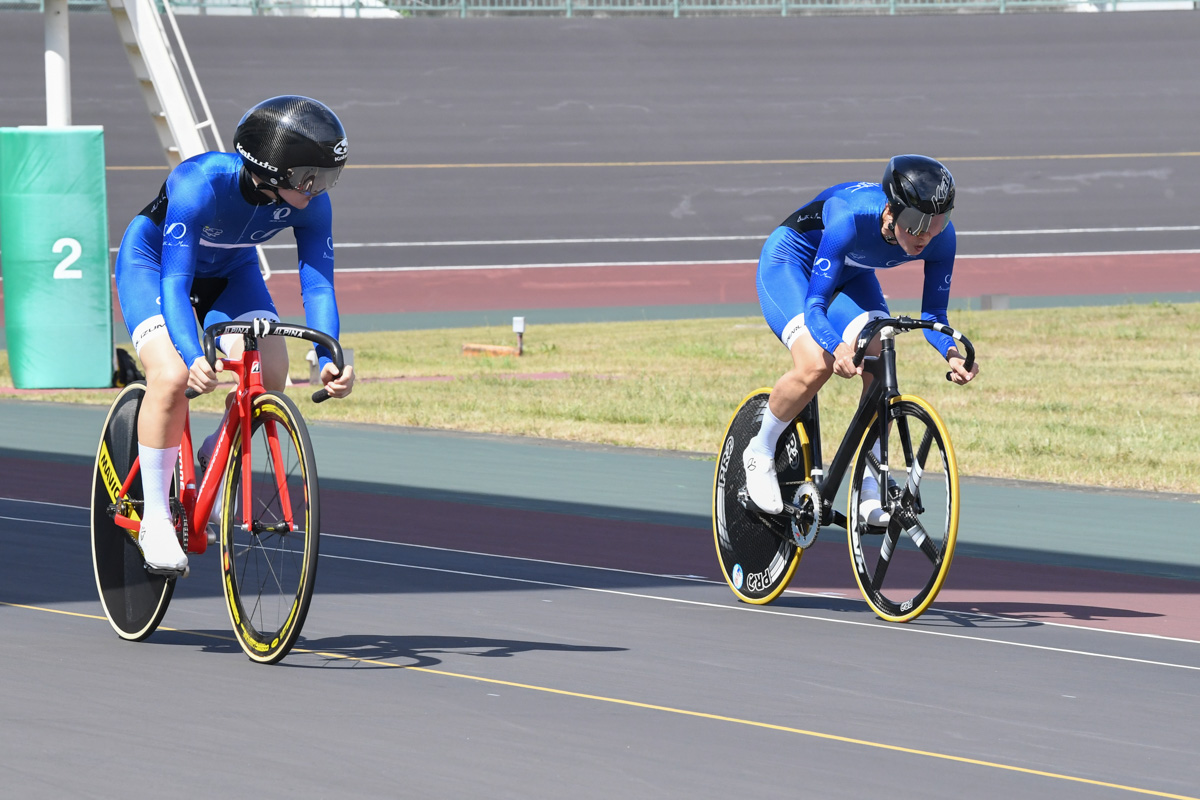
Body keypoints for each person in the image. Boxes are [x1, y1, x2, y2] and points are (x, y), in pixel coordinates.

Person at [114, 95, 355, 574]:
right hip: (156, 268)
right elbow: (176, 285)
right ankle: (156, 520)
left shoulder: (309, 205)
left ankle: (212, 450)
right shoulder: (198, 182)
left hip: (231, 272)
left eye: (327, 178)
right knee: (172, 376)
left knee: (274, 373)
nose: (319, 189)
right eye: (311, 178)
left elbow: (318, 283)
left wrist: (329, 353)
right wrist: (191, 353)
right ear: (271, 171)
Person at [742, 154, 979, 522]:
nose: (926, 236)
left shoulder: (940, 239)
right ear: (891, 211)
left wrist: (951, 353)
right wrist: (836, 347)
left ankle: (870, 483)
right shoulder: (848, 218)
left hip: (850, 272)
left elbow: (934, 315)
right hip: (792, 264)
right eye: (916, 223)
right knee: (815, 364)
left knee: (880, 346)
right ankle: (759, 449)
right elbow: (816, 304)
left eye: (939, 221)